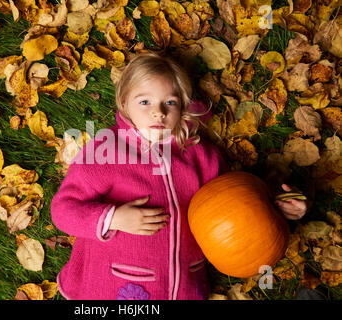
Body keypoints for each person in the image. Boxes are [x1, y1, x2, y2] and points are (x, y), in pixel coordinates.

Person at [50, 51, 307, 300]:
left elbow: (238, 204)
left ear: (182, 105)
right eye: (144, 101)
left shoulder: (202, 156)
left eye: (169, 102)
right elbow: (63, 211)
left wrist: (278, 205)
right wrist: (114, 218)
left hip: (186, 286)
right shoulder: (107, 151)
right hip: (117, 286)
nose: (158, 112)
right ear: (124, 103)